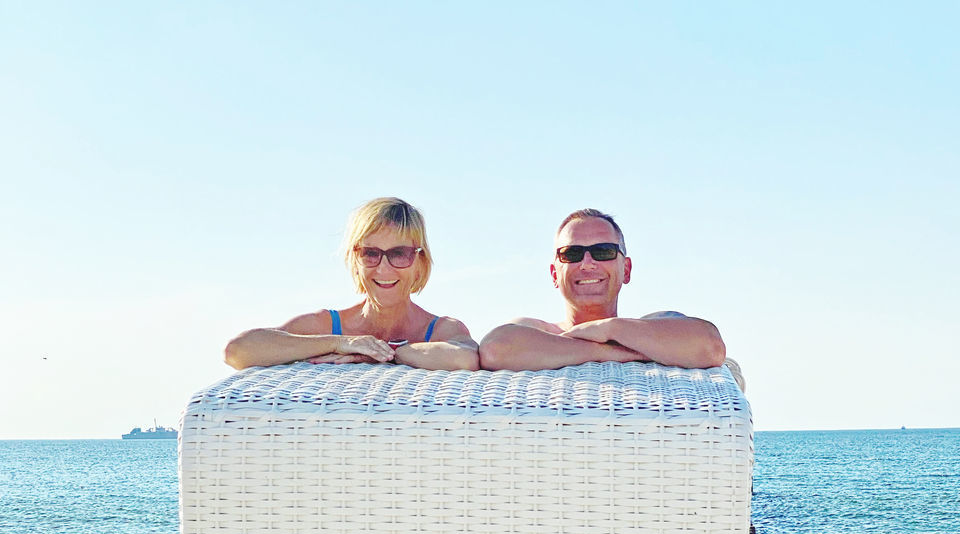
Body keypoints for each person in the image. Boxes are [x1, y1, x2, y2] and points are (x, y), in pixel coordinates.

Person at [224, 198, 479, 372]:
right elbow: (239, 351)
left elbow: (467, 358)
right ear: (354, 260)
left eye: (399, 253)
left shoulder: (441, 329)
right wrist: (340, 342)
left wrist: (381, 351)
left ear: (420, 263)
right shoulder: (328, 325)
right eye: (370, 253)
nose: (383, 268)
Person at [479, 208, 731, 376]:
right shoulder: (537, 331)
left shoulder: (655, 325)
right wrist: (606, 351)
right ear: (555, 274)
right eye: (571, 254)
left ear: (627, 269)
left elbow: (710, 346)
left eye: (603, 252)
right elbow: (495, 349)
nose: (587, 263)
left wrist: (611, 329)